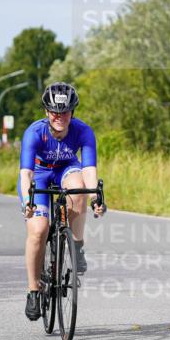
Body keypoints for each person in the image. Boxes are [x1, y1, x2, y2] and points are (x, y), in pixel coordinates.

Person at [18, 82, 105, 322]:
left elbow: (89, 169)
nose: (59, 117)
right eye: (55, 112)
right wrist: (27, 202)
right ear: (46, 111)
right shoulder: (35, 132)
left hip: (67, 169)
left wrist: (95, 197)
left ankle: (76, 245)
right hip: (39, 172)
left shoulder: (83, 131)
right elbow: (26, 173)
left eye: (65, 112)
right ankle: (33, 290)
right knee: (39, 230)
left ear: (72, 112)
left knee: (78, 190)